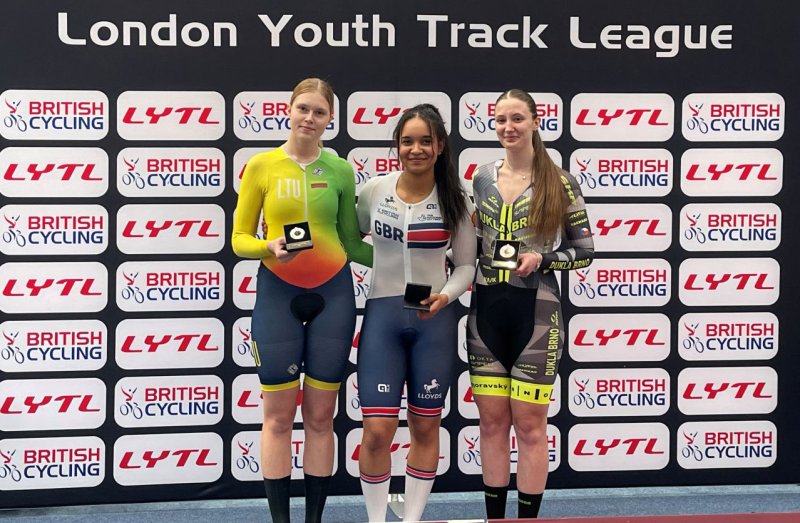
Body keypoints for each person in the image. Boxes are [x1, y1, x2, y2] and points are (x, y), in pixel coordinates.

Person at [231, 77, 372, 523]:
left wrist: (413, 262)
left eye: (319, 112)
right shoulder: (261, 166)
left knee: (320, 416)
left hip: (333, 295)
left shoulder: (341, 170)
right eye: (303, 109)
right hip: (278, 296)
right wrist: (267, 247)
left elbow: (352, 242)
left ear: (331, 119)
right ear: (289, 110)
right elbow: (238, 238)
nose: (310, 118)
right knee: (276, 417)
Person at [467, 89, 594, 519]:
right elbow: (473, 243)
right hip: (485, 314)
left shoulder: (560, 182)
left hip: (537, 315)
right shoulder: (482, 177)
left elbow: (585, 251)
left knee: (530, 427)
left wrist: (544, 258)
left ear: (535, 122)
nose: (509, 127)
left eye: (517, 118)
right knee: (491, 424)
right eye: (501, 119)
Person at [355, 104, 476, 522]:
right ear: (397, 146)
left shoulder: (456, 198)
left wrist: (447, 295)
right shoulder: (374, 190)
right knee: (377, 431)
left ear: (440, 146)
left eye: (426, 141)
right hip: (382, 318)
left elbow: (466, 265)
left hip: (432, 320)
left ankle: (411, 519)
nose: (416, 149)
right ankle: (376, 520)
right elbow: (348, 239)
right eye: (408, 141)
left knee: (425, 426)